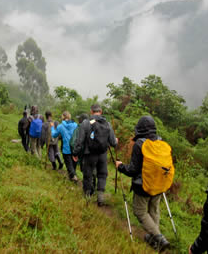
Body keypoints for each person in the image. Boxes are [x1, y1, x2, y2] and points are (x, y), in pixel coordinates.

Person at [115, 116, 171, 251]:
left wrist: (121, 166)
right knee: (154, 210)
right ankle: (153, 239)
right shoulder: (160, 141)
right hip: (159, 183)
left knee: (140, 211)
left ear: (139, 129)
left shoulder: (140, 144)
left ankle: (159, 237)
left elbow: (133, 170)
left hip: (143, 185)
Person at [73, 103, 117, 206]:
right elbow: (113, 143)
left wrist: (75, 153)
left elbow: (80, 141)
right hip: (102, 154)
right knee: (102, 174)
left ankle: (87, 197)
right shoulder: (107, 124)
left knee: (88, 174)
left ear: (91, 112)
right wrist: (116, 141)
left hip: (89, 154)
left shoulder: (86, 123)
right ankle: (100, 197)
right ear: (100, 111)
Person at [51, 111, 78, 182]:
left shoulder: (60, 126)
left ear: (62, 117)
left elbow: (54, 135)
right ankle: (72, 177)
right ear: (69, 116)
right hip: (75, 148)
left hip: (66, 149)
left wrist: (52, 128)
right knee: (73, 164)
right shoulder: (75, 125)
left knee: (69, 165)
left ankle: (73, 176)